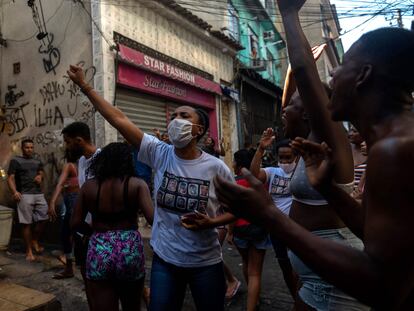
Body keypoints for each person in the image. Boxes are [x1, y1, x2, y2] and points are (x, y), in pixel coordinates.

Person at [215, 4, 414, 311]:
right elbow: (371, 232)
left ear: (363, 76)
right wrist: (328, 190)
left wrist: (268, 215)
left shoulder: (397, 148)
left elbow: (385, 287)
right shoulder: (389, 143)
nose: (333, 73)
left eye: (343, 64)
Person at [67, 65, 236, 311]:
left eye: (184, 116)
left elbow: (237, 211)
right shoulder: (160, 153)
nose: (176, 120)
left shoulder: (216, 168)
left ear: (199, 130)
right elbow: (118, 118)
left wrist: (212, 224)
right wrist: (85, 86)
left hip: (206, 263)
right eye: (173, 116)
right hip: (165, 261)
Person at [71, 142, 153, 311]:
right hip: (129, 248)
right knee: (132, 305)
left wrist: (92, 231)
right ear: (128, 161)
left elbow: (75, 222)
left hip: (100, 246)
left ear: (102, 161)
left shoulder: (89, 187)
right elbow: (153, 219)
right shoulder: (137, 184)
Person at [250, 136, 298, 299]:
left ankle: (302, 300)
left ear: (296, 157)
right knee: (284, 265)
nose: (284, 161)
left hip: (297, 229)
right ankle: (295, 298)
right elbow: (254, 174)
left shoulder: (301, 173)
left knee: (299, 266)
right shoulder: (272, 172)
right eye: (281, 157)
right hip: (277, 229)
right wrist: (260, 150)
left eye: (288, 157)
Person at [61, 122, 99, 305]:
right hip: (86, 230)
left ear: (78, 140)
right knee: (86, 273)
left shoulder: (102, 159)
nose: (65, 146)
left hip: (102, 231)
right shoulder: (83, 161)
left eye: (67, 142)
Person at [228, 148, 270, 311]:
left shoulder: (234, 183)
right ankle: (254, 301)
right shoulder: (260, 182)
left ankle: (253, 298)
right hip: (259, 229)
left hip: (240, 230)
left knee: (246, 263)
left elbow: (233, 212)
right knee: (255, 272)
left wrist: (230, 232)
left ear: (238, 164)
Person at [7, 139, 48, 262]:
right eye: (27, 147)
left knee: (44, 218)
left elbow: (41, 172)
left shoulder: (37, 161)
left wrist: (40, 176)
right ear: (22, 148)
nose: (29, 149)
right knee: (26, 224)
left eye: (31, 147)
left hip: (38, 194)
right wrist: (15, 192)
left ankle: (34, 240)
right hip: (24, 195)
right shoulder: (16, 161)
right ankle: (29, 250)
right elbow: (10, 178)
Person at [48, 149, 80, 279]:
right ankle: (71, 266)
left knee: (66, 233)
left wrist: (52, 202)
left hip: (72, 201)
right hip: (80, 201)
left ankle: (69, 267)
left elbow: (60, 184)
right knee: (76, 233)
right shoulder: (82, 165)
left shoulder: (70, 165)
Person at [348, 126, 367, 201]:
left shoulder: (372, 150)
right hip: (345, 196)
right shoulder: (345, 149)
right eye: (350, 130)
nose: (350, 134)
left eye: (354, 131)